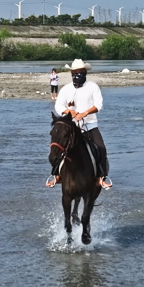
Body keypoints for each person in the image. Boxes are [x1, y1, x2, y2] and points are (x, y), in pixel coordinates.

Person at [46, 59, 112, 190]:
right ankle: (56, 175)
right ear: (71, 73)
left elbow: (99, 105)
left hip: (90, 125)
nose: (78, 74)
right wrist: (68, 111)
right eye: (75, 72)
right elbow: (58, 105)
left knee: (101, 148)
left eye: (80, 72)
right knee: (58, 148)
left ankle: (101, 177)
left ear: (85, 72)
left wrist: (85, 113)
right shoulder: (66, 89)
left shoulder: (93, 87)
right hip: (71, 128)